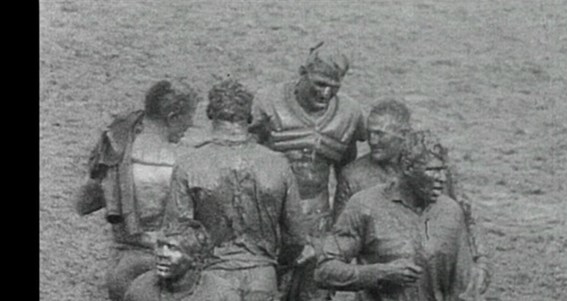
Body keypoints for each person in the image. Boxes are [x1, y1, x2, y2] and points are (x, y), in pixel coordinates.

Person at [166, 79, 312, 301]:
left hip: (211, 279)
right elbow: (297, 237)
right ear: (249, 116)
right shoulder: (277, 164)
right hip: (263, 276)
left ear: (210, 114)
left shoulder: (189, 164)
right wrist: (278, 265)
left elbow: (178, 235)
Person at [249, 42, 367, 301]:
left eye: (333, 88)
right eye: (319, 84)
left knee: (314, 294)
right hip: (271, 218)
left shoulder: (349, 113)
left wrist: (337, 234)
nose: (325, 93)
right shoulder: (268, 102)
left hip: (318, 220)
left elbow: (348, 178)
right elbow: (247, 162)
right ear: (303, 73)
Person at [315, 130, 490, 301]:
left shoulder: (451, 212)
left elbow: (464, 289)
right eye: (433, 170)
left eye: (443, 170)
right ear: (407, 168)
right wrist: (380, 273)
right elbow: (325, 271)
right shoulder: (364, 206)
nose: (442, 178)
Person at [75, 80, 199, 301]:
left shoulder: (116, 155)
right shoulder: (183, 164)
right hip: (167, 271)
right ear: (173, 117)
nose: (190, 125)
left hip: (122, 268)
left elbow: (83, 204)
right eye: (189, 117)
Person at [124, 219, 215, 301]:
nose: (162, 254)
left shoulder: (218, 294)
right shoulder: (140, 289)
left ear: (196, 259)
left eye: (173, 248)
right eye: (160, 246)